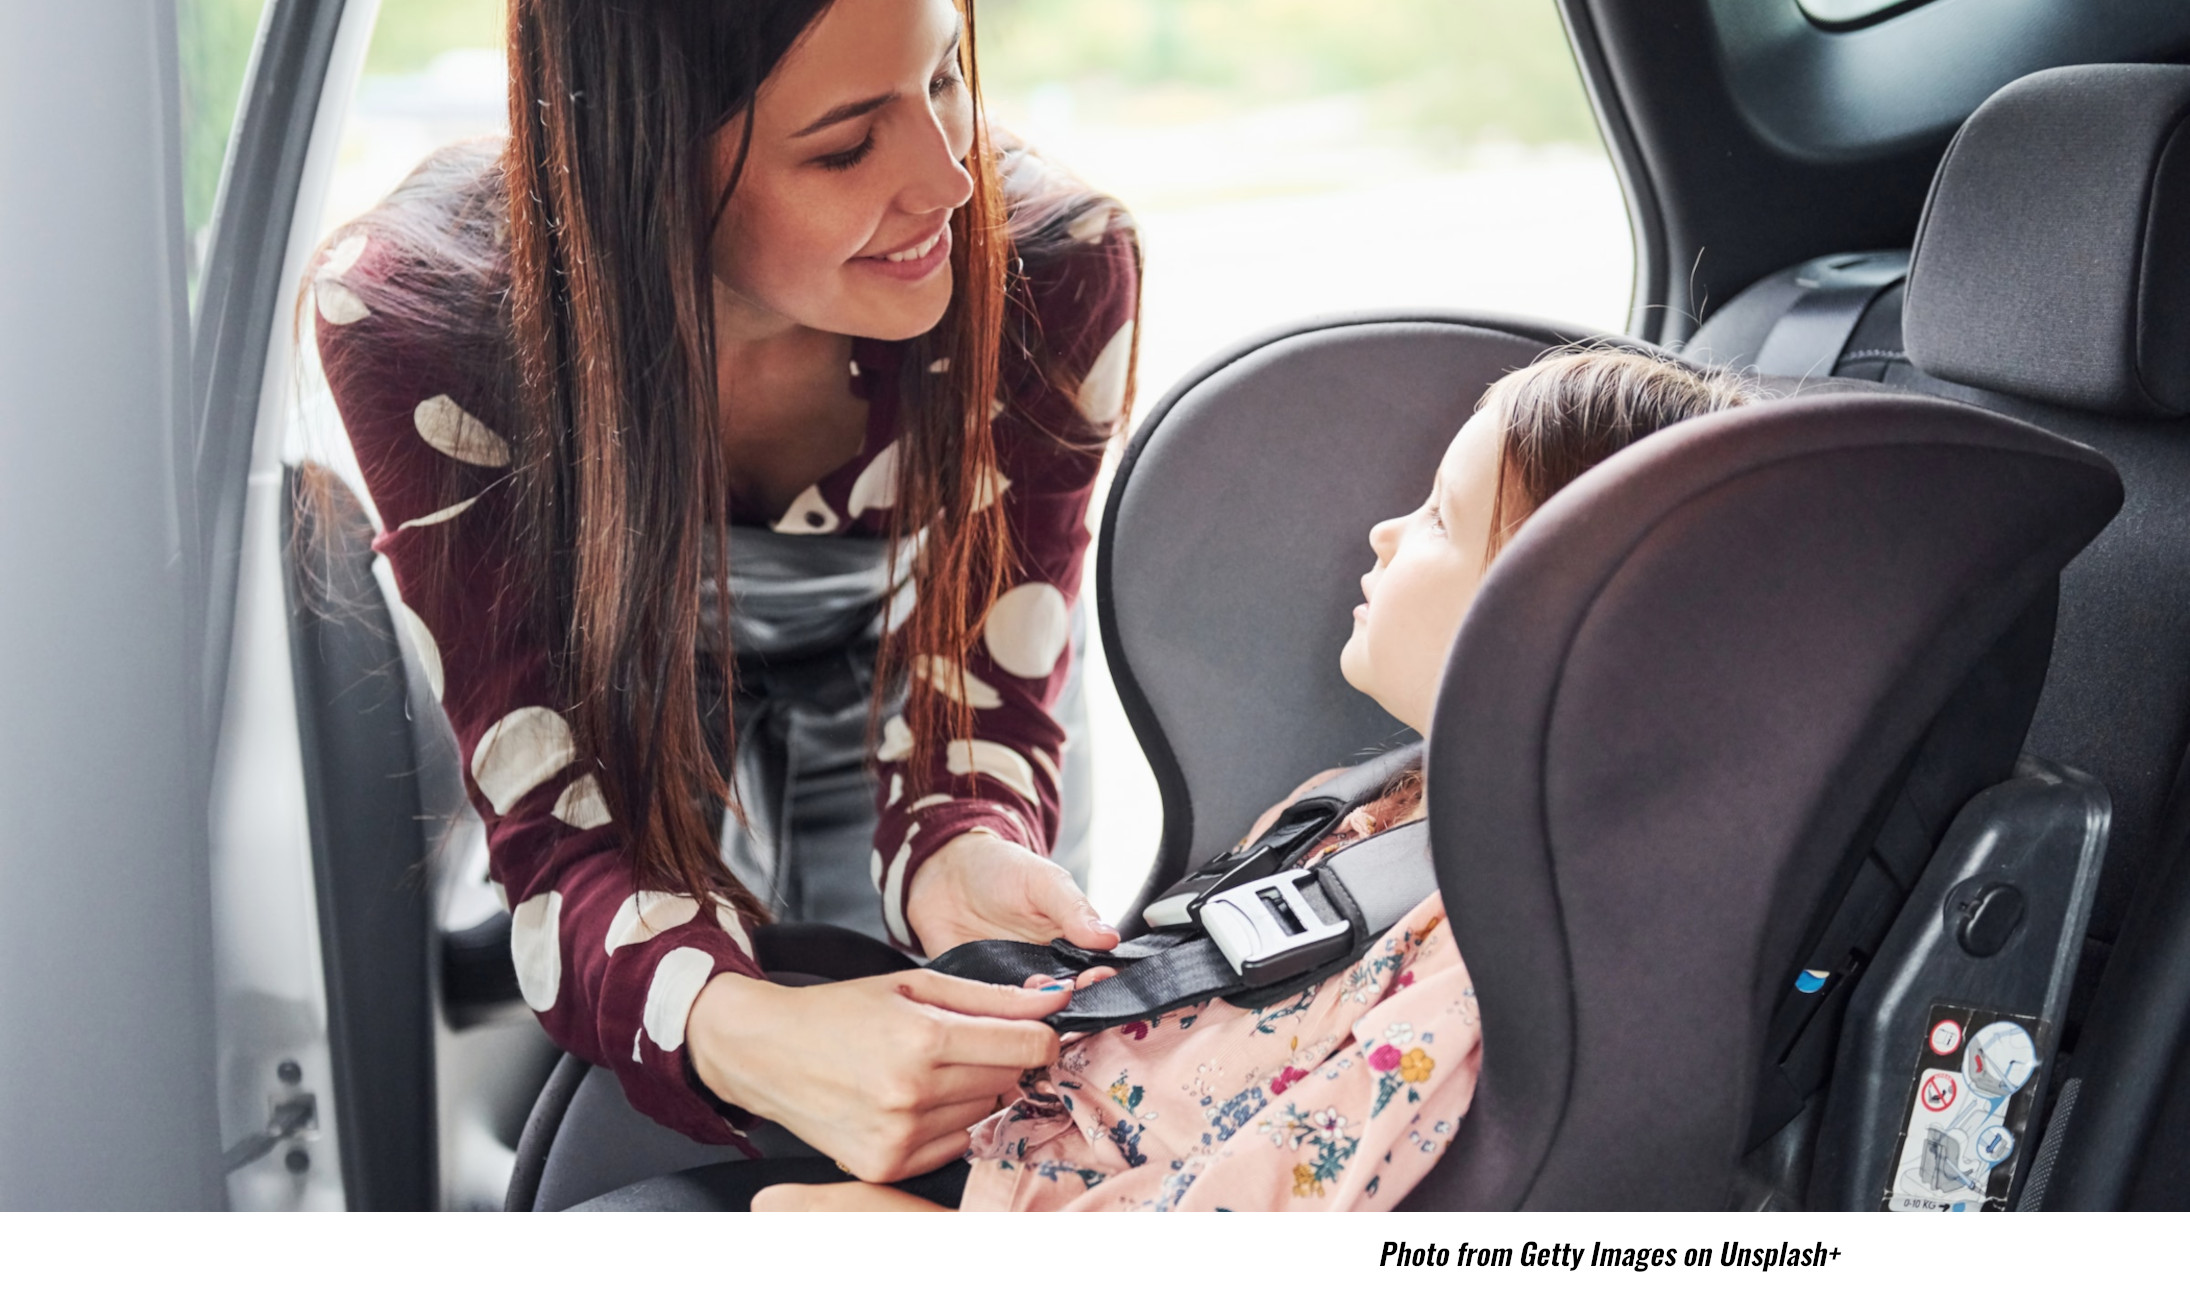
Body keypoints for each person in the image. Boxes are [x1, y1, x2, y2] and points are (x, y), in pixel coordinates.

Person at [310, 0, 1138, 1182]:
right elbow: (561, 824)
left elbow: (985, 693)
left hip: (923, 657)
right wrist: (740, 1033)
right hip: (618, 671)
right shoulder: (420, 319)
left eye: (947, 77)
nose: (951, 180)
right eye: (847, 144)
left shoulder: (1053, 265)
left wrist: (965, 849)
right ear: (642, 166)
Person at [754, 347, 1761, 1210]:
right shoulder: (1364, 807)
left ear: (1562, 624)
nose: (1384, 533)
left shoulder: (1485, 971)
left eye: (1440, 522)